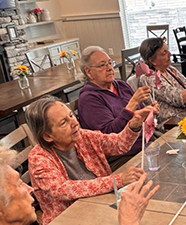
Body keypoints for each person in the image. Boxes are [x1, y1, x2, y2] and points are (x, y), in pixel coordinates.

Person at [26, 96, 157, 225]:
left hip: (102, 205)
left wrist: (134, 125)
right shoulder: (39, 158)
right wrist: (117, 180)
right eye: (63, 123)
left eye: (71, 115)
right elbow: (61, 190)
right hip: (70, 218)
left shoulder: (82, 136)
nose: (75, 123)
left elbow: (119, 145)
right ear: (48, 136)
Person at [0, 147, 159, 225]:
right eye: (19, 184)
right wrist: (128, 221)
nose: (30, 189)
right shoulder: (40, 157)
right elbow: (61, 190)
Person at [78, 46, 158, 171]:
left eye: (110, 63)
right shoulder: (89, 99)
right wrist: (132, 104)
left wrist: (149, 113)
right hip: (123, 158)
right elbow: (110, 136)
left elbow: (140, 118)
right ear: (88, 72)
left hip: (146, 144)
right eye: (102, 65)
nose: (110, 68)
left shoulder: (121, 85)